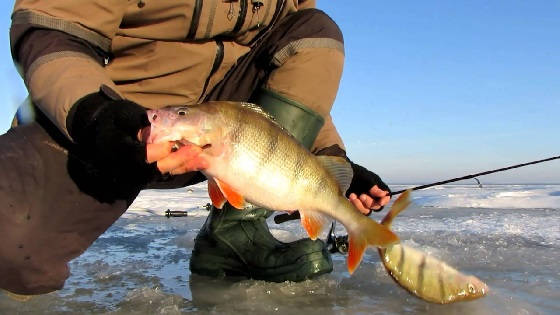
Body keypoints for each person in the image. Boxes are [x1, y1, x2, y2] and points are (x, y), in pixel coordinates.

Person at [0, 0, 391, 296]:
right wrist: (92, 113)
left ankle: (234, 233)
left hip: (221, 135)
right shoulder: (102, 114)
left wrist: (333, 160)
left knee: (315, 32)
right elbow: (52, 26)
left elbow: (290, 85)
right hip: (108, 115)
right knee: (10, 245)